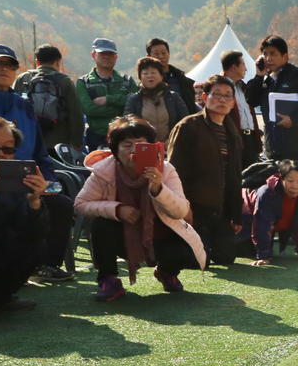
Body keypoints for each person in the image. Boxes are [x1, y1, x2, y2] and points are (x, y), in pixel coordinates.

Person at [74, 115, 206, 300]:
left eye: (141, 145)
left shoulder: (165, 170)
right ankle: (108, 279)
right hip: (123, 236)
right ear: (115, 150)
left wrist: (159, 189)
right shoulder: (104, 171)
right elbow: (80, 204)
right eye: (126, 145)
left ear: (152, 147)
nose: (134, 151)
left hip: (160, 235)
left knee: (184, 247)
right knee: (101, 226)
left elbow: (181, 211)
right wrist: (117, 209)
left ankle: (166, 271)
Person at [0, 44, 75, 282]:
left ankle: (47, 266)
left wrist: (47, 180)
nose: (4, 69)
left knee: (61, 204)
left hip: (26, 184)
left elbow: (40, 153)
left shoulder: (24, 106)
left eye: (10, 65)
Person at [165, 75, 243, 267]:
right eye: (217, 94)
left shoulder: (232, 131)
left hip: (221, 210)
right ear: (205, 97)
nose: (222, 100)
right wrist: (184, 208)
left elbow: (235, 175)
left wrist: (235, 214)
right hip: (196, 209)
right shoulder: (188, 126)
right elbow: (175, 172)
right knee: (199, 261)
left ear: (233, 102)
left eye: (228, 96)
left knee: (226, 258)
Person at [0, 116, 51, 311]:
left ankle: (0, 298)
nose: (0, 154)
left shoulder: (13, 184)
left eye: (8, 149)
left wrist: (35, 201)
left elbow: (33, 233)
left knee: (35, 245)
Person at [245, 35, 298, 173]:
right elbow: (251, 100)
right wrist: (259, 76)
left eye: (273, 54)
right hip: (274, 147)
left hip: (297, 147)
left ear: (285, 56)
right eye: (265, 54)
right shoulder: (266, 80)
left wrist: (294, 120)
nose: (268, 58)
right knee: (276, 184)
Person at [237, 162, 298, 265]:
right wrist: (264, 256)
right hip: (244, 219)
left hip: (274, 224)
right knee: (242, 251)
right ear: (281, 178)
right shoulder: (267, 193)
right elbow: (262, 225)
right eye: (290, 181)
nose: (295, 186)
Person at [14, 45, 85, 152]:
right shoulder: (65, 81)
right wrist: (77, 140)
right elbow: (75, 113)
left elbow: (13, 107)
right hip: (58, 141)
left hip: (29, 138)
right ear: (58, 62)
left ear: (37, 62)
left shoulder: (24, 78)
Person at [76, 38, 137, 152]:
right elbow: (89, 110)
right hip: (97, 136)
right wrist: (121, 108)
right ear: (93, 55)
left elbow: (136, 102)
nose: (106, 57)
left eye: (110, 54)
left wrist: (108, 100)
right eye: (102, 53)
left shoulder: (127, 80)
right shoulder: (84, 82)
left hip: (125, 135)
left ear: (116, 57)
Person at [220, 49, 265, 175]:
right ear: (234, 67)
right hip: (231, 140)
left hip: (249, 139)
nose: (246, 69)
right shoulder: (220, 88)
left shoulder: (243, 87)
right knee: (234, 176)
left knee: (250, 177)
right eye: (243, 65)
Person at [125, 57, 190, 141]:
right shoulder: (134, 100)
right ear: (140, 77)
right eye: (145, 73)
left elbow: (185, 121)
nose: (149, 76)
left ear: (161, 76)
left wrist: (172, 140)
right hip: (144, 146)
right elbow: (128, 124)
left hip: (171, 145)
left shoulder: (174, 97)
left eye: (153, 72)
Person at [145, 38, 199, 113]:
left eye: (163, 53)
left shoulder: (182, 80)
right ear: (148, 56)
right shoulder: (146, 83)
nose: (160, 56)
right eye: (156, 53)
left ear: (169, 54)